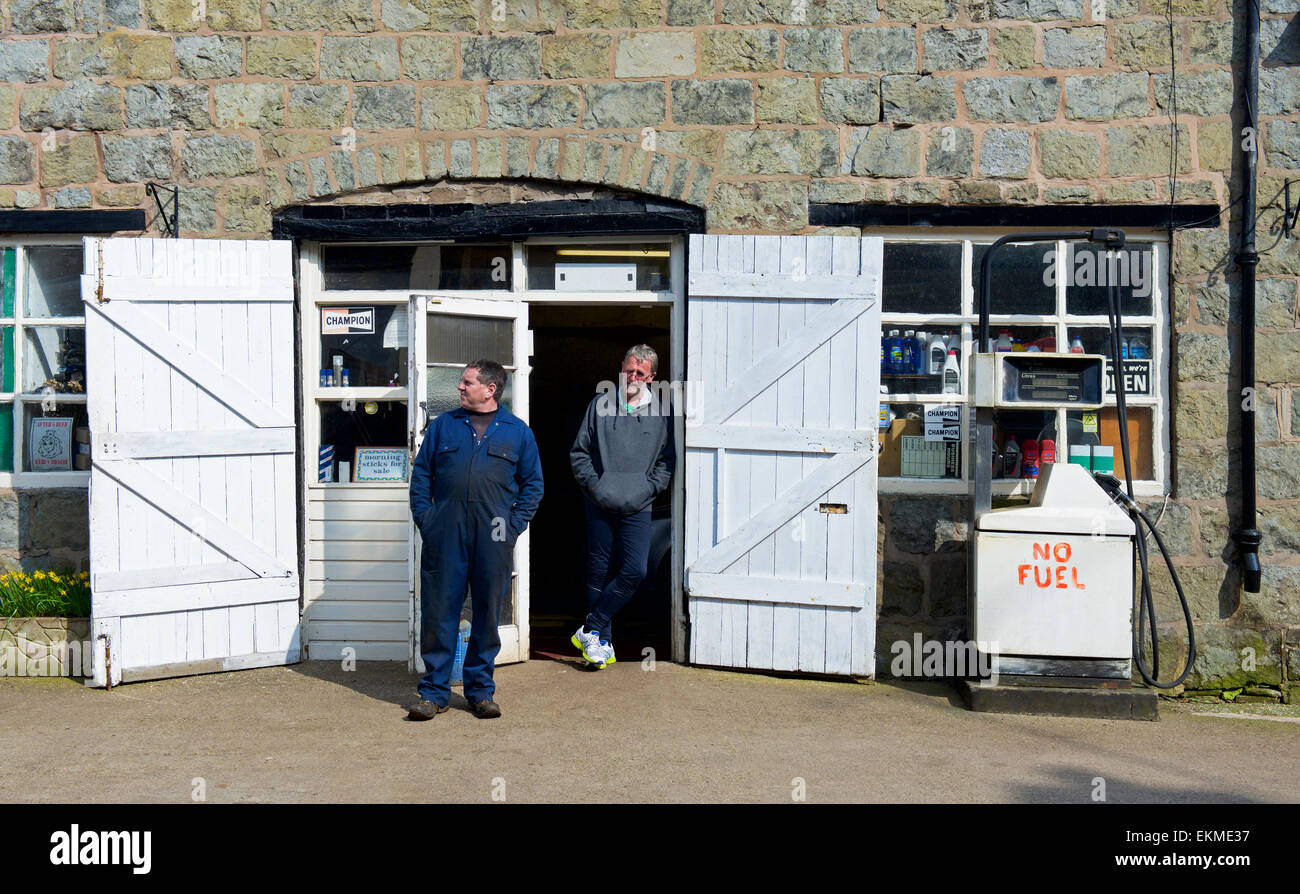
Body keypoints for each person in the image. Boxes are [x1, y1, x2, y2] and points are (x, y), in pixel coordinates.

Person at [408, 359, 543, 720]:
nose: (460, 387)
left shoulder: (517, 432)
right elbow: (421, 476)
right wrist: (427, 519)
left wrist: (512, 526)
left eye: (467, 382)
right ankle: (433, 694)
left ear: (490, 388)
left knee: (486, 613)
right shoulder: (444, 427)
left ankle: (480, 692)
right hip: (445, 533)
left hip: (494, 534)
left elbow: (533, 486)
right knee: (439, 612)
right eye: (461, 382)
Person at [569, 345, 675, 669]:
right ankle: (600, 645)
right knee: (598, 572)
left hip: (637, 505)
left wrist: (647, 489)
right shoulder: (600, 404)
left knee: (634, 570)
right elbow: (579, 452)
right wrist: (595, 486)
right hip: (600, 503)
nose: (631, 377)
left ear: (653, 377)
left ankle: (590, 627)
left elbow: (666, 461)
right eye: (628, 370)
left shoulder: (661, 413)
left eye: (639, 373)